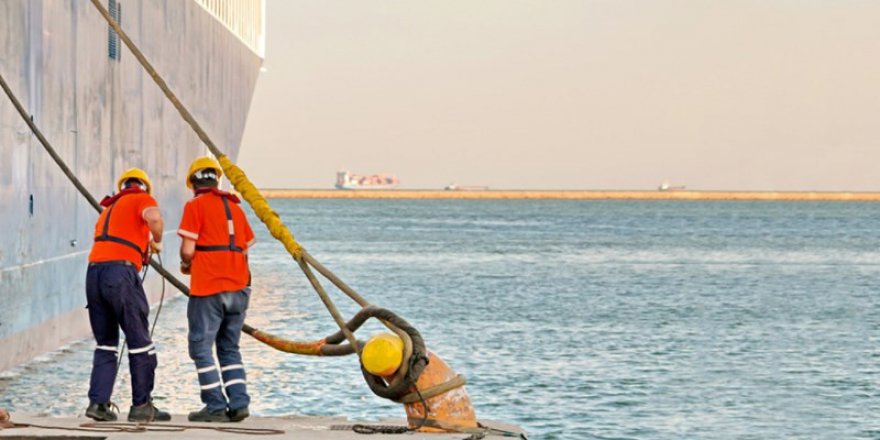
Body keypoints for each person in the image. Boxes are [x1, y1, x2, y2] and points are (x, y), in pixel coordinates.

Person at [85, 168, 170, 422]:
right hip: (120, 274)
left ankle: (98, 404)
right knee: (140, 341)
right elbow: (154, 219)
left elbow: (114, 240)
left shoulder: (108, 210)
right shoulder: (141, 197)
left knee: (106, 343)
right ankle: (141, 405)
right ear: (142, 186)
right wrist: (158, 239)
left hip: (93, 274)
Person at [177, 157, 256, 422]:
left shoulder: (195, 205)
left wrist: (187, 263)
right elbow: (244, 248)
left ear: (194, 184)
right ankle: (239, 402)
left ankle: (215, 407)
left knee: (201, 348)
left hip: (208, 288)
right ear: (216, 180)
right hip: (239, 288)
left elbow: (189, 249)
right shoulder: (236, 208)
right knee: (229, 348)